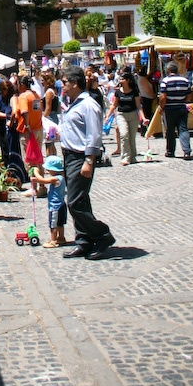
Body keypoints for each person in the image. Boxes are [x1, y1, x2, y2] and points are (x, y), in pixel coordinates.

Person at [59, 66, 115, 260]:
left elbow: (94, 134)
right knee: (80, 200)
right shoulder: (74, 103)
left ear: (75, 83)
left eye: (64, 82)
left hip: (80, 157)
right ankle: (84, 241)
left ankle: (102, 235)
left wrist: (89, 160)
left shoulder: (88, 105)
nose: (62, 86)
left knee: (74, 202)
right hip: (69, 156)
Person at [105, 68, 146, 165]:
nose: (120, 81)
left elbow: (138, 106)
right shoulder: (118, 92)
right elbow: (114, 105)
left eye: (122, 79)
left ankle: (132, 157)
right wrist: (107, 116)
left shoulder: (134, 91)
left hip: (133, 115)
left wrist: (143, 118)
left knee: (131, 137)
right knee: (124, 135)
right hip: (121, 115)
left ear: (128, 80)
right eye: (120, 79)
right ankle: (125, 157)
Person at [158, 60, 193, 160]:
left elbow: (163, 96)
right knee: (183, 129)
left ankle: (170, 151)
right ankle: (186, 151)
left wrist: (161, 107)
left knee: (170, 130)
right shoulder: (185, 80)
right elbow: (189, 95)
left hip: (169, 108)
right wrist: (183, 100)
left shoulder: (165, 81)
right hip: (181, 107)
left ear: (168, 70)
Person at [30, 154, 67, 248]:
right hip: (62, 204)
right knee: (60, 224)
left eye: (49, 169)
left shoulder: (55, 179)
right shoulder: (61, 177)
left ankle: (53, 241)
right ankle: (61, 237)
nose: (47, 171)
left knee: (53, 224)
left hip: (55, 206)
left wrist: (36, 172)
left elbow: (42, 180)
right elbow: (43, 181)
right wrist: (36, 180)